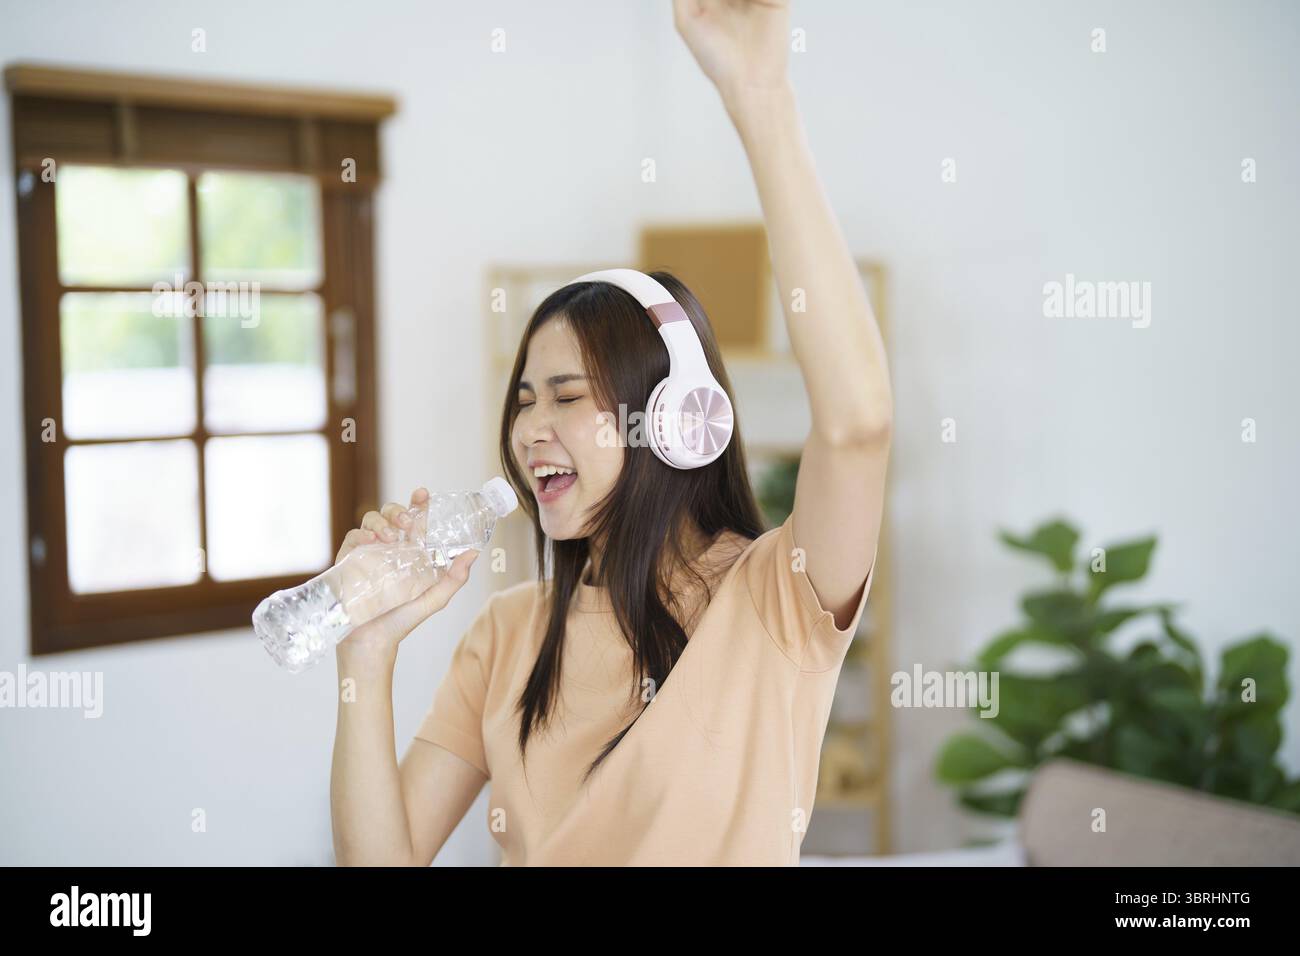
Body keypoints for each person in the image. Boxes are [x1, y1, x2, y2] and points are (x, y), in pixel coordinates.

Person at [331, 0, 892, 866]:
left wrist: (760, 94)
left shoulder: (775, 599)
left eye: (566, 396)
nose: (530, 430)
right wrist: (365, 657)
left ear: (676, 420)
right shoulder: (509, 632)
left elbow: (857, 427)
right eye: (523, 399)